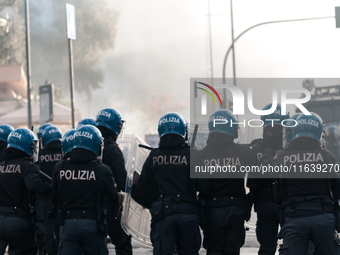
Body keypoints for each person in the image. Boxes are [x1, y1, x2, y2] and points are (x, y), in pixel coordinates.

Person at [132, 112, 208, 255]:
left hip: (162, 216)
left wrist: (155, 203)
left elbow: (141, 189)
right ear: (183, 131)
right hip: (188, 214)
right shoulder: (193, 154)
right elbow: (204, 186)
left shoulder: (154, 156)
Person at [272, 113, 340, 255]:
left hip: (294, 215)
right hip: (323, 216)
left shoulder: (283, 155)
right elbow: (337, 188)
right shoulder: (327, 155)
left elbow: (276, 186)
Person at [197, 109, 257, 255]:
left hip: (212, 210)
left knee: (214, 251)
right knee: (232, 251)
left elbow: (197, 185)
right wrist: (249, 199)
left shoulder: (202, 155)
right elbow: (257, 177)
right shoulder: (243, 152)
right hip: (236, 209)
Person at [52, 125, 118, 255]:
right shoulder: (102, 169)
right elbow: (113, 198)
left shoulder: (60, 167)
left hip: (67, 224)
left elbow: (54, 197)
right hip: (92, 225)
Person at [0, 128, 53, 255]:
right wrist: (51, 189)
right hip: (18, 220)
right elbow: (34, 185)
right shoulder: (27, 165)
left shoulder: (1, 165)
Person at [247, 104, 288, 255]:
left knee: (266, 248)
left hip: (264, 201)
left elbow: (251, 178)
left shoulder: (256, 147)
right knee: (294, 246)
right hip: (286, 203)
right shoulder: (291, 148)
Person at [95, 108, 132, 255]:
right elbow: (122, 181)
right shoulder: (113, 149)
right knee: (122, 242)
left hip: (91, 205)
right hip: (110, 205)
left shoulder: (92, 148)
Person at [39, 125, 63, 255]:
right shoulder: (65, 152)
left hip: (46, 195)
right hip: (63, 195)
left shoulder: (40, 154)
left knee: (47, 225)